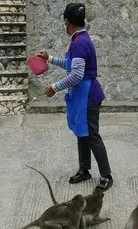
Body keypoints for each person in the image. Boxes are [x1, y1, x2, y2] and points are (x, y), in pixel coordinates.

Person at [39, 3, 114, 191]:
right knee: (82, 134)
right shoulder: (79, 39)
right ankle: (84, 169)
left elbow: (76, 75)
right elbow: (71, 65)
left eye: (64, 20)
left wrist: (55, 87)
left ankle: (106, 175)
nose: (64, 24)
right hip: (83, 95)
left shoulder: (79, 43)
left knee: (92, 135)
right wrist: (49, 58)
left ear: (67, 21)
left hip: (88, 97)